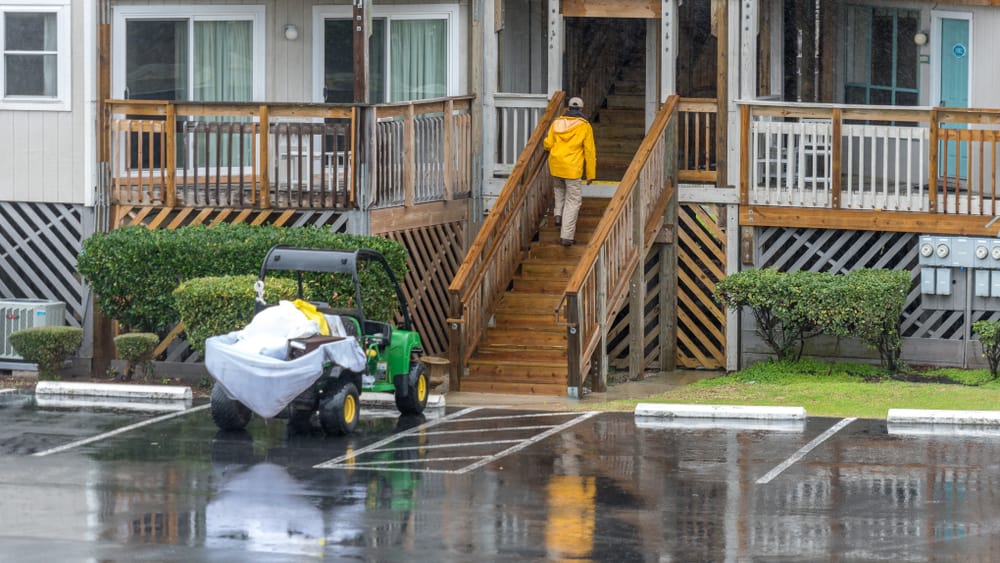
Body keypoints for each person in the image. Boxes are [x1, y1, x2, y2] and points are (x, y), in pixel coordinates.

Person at [543, 96, 596, 246]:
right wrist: (590, 174)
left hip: (556, 164)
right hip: (572, 168)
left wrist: (549, 145)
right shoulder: (584, 126)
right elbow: (589, 152)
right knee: (573, 201)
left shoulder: (557, 122)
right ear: (580, 109)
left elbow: (548, 143)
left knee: (559, 189)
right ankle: (566, 236)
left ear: (568, 108)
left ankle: (558, 214)